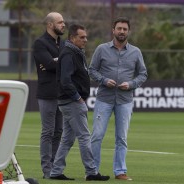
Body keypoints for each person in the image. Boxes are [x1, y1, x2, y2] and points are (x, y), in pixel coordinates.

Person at [88, 17, 148, 181]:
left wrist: (131, 84)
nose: (122, 31)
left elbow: (143, 74)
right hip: (104, 99)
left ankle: (120, 171)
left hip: (125, 100)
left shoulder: (135, 52)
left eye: (124, 29)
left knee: (121, 138)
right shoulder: (102, 49)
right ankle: (93, 171)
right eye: (119, 28)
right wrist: (104, 80)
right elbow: (92, 70)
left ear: (128, 32)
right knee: (97, 135)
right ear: (113, 30)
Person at [49, 24, 110, 181]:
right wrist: (77, 97)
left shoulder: (74, 52)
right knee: (84, 136)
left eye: (86, 37)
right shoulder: (69, 53)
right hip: (72, 101)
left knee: (68, 139)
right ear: (72, 38)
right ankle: (91, 171)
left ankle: (56, 171)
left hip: (68, 101)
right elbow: (65, 80)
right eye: (82, 37)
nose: (85, 40)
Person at [32, 12, 65, 179]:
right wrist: (60, 61)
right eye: (60, 22)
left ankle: (55, 168)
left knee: (59, 131)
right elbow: (50, 65)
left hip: (62, 94)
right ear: (50, 25)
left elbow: (57, 64)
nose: (63, 25)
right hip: (47, 94)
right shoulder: (40, 43)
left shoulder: (64, 44)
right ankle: (47, 170)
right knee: (48, 132)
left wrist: (55, 61)